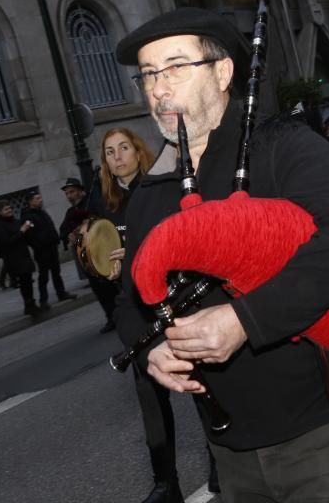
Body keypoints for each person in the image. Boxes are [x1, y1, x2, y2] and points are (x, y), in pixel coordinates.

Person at [113, 6, 329, 501]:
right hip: (229, 451)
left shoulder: (280, 146)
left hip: (322, 437)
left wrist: (245, 321)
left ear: (223, 71)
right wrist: (149, 350)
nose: (159, 88)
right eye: (148, 74)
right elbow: (128, 303)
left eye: (175, 67)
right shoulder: (151, 191)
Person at [100, 127, 193, 502]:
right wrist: (105, 267)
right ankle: (165, 483)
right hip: (136, 307)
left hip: (174, 297)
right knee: (149, 395)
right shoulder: (104, 202)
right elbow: (102, 252)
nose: (118, 156)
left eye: (124, 147)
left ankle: (220, 463)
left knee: (201, 383)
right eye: (109, 152)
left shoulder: (159, 188)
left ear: (139, 153)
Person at [59, 177, 120, 333]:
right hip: (87, 258)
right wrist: (69, 236)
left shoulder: (93, 203)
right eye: (67, 194)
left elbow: (106, 222)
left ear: (80, 191)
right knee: (99, 289)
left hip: (103, 252)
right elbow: (63, 230)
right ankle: (111, 317)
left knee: (111, 286)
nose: (69, 196)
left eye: (72, 192)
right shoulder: (70, 212)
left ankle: (122, 314)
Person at [21, 190, 77, 308]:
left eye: (40, 198)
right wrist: (38, 246)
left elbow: (50, 227)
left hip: (51, 247)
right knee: (44, 275)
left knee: (56, 272)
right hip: (41, 251)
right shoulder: (27, 216)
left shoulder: (42, 212)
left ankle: (61, 293)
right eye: (37, 198)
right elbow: (29, 236)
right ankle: (43, 300)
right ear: (31, 201)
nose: (40, 200)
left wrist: (56, 240)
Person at [0, 201, 42, 316]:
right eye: (6, 210)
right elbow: (7, 241)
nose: (9, 211)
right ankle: (28, 304)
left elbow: (23, 235)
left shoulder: (15, 221)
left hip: (24, 254)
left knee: (28, 280)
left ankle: (31, 303)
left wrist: (28, 228)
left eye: (9, 208)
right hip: (14, 258)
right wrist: (21, 231)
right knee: (24, 282)